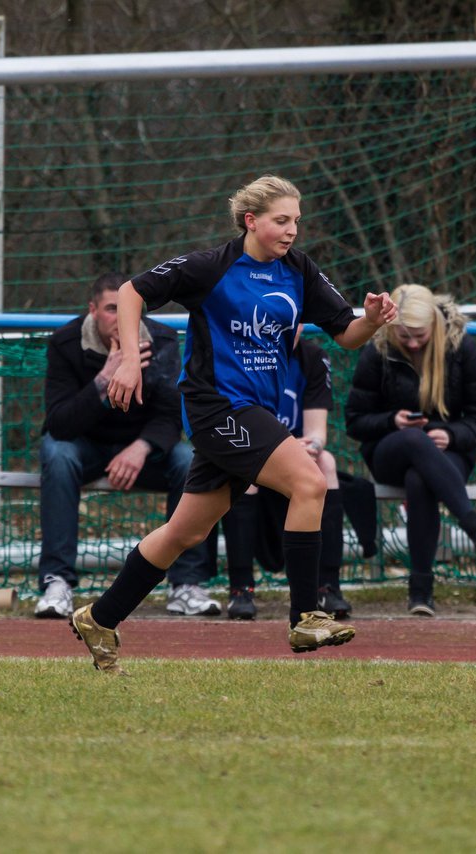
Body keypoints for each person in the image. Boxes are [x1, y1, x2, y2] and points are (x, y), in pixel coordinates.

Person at [69, 175, 398, 675]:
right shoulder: (211, 267)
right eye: (281, 220)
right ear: (251, 221)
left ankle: (99, 617)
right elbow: (134, 292)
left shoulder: (299, 271)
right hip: (215, 406)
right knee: (310, 481)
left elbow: (347, 334)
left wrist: (372, 319)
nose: (291, 231)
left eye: (296, 222)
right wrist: (132, 362)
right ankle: (306, 615)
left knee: (184, 532)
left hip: (252, 414)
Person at [35, 272, 221, 620]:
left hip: (142, 452)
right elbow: (59, 423)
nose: (120, 317)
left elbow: (171, 414)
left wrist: (142, 447)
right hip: (84, 447)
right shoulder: (65, 342)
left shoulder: (162, 340)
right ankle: (57, 581)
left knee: (190, 461)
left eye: (126, 309)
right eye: (110, 309)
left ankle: (187, 584)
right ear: (92, 310)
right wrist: (104, 380)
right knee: (56, 454)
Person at [344, 283, 476, 617]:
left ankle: (421, 594)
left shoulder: (462, 348)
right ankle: (475, 526)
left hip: (450, 453)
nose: (412, 343)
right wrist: (392, 421)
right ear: (390, 329)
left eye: (420, 336)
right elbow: (355, 422)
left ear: (435, 327)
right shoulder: (377, 350)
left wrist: (452, 435)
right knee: (416, 440)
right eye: (404, 336)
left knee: (420, 479)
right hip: (390, 450)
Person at [220, 327, 352, 620]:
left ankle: (327, 586)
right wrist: (280, 449)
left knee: (327, 463)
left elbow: (317, 433)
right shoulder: (244, 354)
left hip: (298, 456)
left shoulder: (313, 357)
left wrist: (311, 446)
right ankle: (241, 588)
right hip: (251, 449)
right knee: (244, 477)